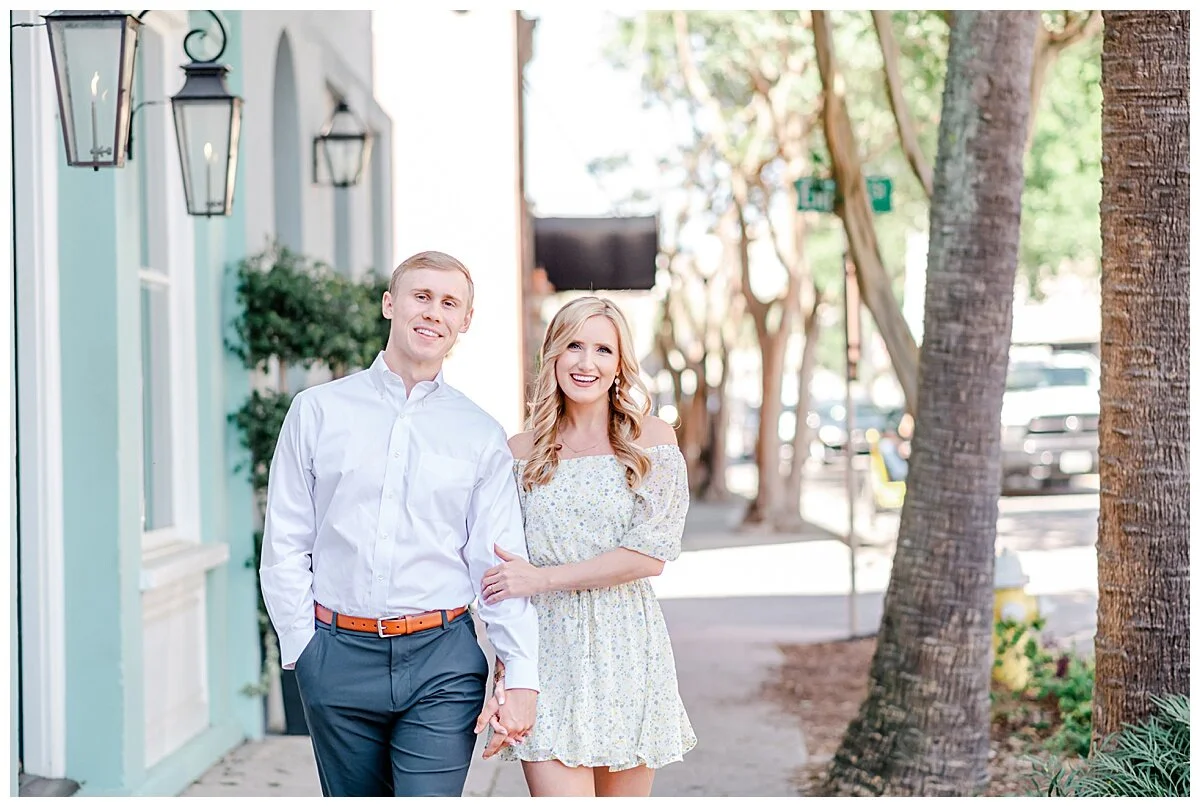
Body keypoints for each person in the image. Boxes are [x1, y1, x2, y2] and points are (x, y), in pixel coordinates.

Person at [259, 250, 539, 797]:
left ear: (465, 321)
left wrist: (521, 671)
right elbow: (286, 540)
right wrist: (304, 648)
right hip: (337, 655)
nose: (434, 312)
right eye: (421, 296)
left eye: (449, 303)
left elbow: (497, 567)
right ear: (390, 304)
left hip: (442, 661)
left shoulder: (480, 434)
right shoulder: (317, 412)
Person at [472, 296, 697, 797]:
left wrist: (543, 578)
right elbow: (504, 572)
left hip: (627, 647)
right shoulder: (520, 452)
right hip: (547, 651)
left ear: (619, 365)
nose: (586, 362)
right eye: (574, 345)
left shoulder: (651, 440)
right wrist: (507, 674)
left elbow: (650, 554)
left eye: (602, 349)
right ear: (553, 353)